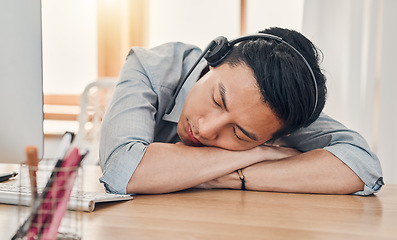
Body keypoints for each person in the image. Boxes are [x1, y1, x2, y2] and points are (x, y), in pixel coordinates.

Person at [99, 27, 383, 196]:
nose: (207, 129)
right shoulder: (151, 66)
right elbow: (120, 171)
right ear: (214, 60)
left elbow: (362, 166)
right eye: (216, 99)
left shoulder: (281, 110)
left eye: (241, 134)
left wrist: (235, 176)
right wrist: (258, 154)